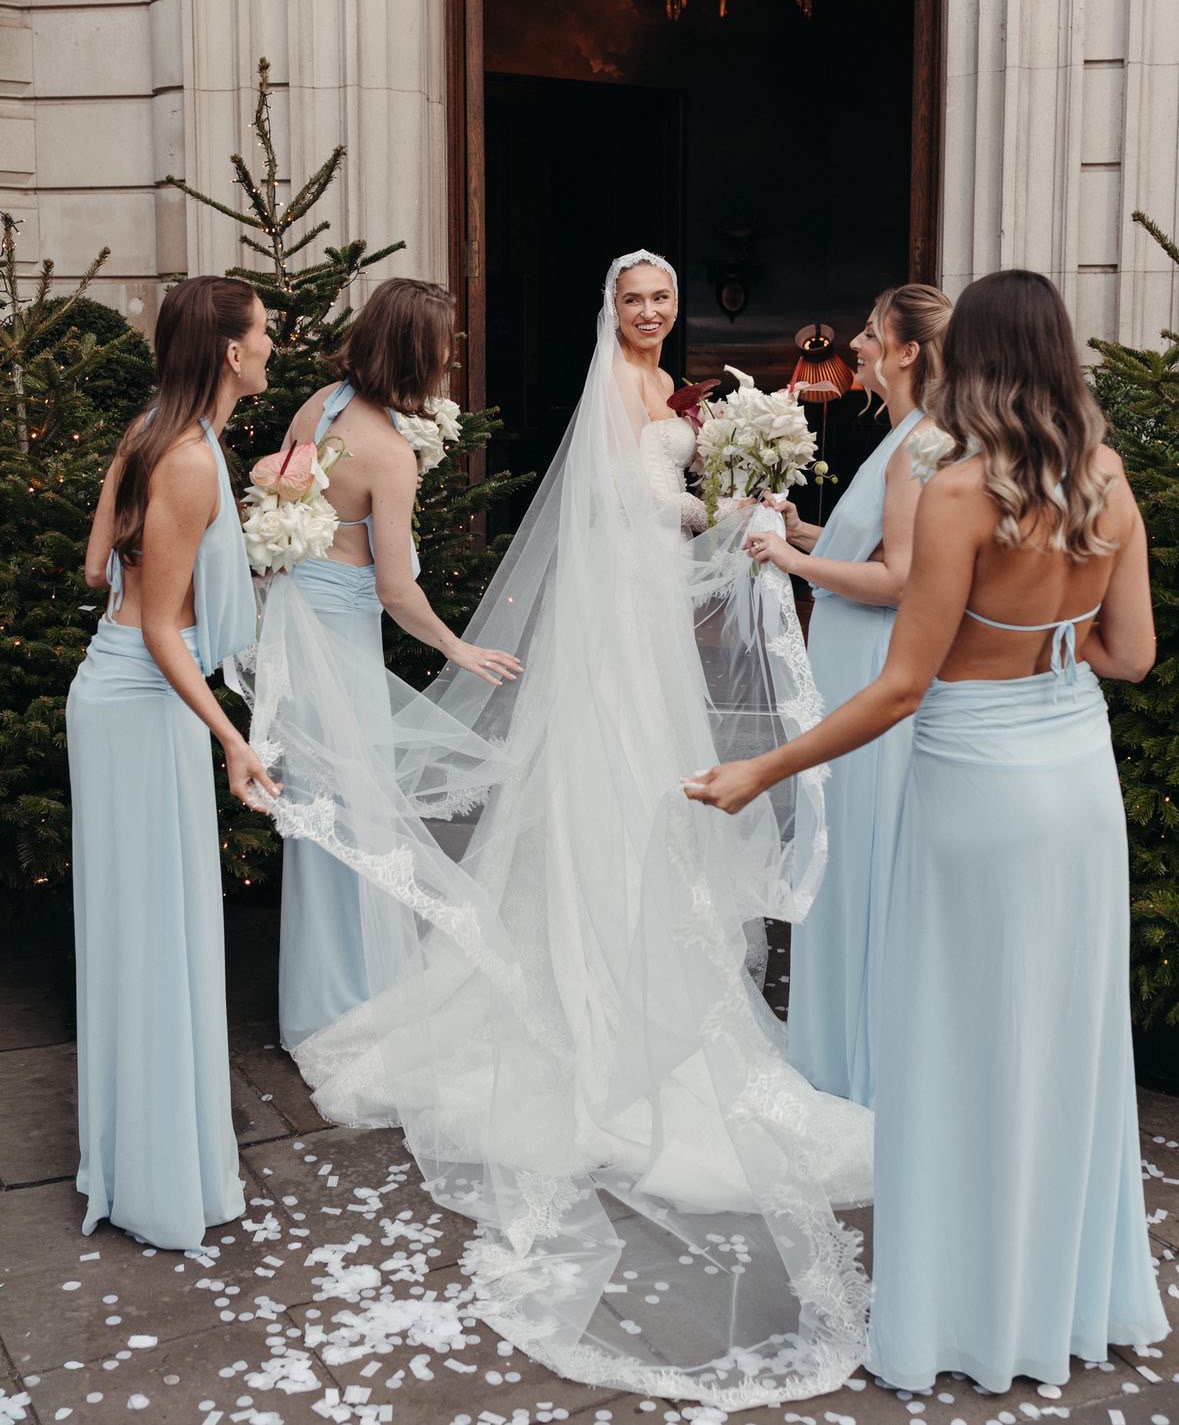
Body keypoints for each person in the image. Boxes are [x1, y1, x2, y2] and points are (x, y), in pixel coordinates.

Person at [244, 249, 874, 1408]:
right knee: (616, 779)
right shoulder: (608, 394)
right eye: (635, 298)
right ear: (610, 309)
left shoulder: (678, 393)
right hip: (617, 621)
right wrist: (719, 505)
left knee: (669, 781)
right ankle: (592, 973)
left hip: (649, 616)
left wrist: (732, 503)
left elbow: (667, 504)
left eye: (662, 299)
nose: (650, 313)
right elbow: (628, 500)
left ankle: (636, 947)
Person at [686, 268, 1168, 1391]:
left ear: (978, 356)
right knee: (1064, 1044)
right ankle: (1061, 1298)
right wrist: (1055, 648)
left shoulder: (959, 489)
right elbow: (1133, 654)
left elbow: (903, 686)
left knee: (957, 1042)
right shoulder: (1106, 478)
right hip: (1079, 783)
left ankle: (961, 1308)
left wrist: (762, 763)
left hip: (976, 786)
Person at [67, 276, 280, 1251]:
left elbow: (93, 571)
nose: (273, 344)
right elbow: (161, 627)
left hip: (109, 694)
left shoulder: (152, 429)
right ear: (232, 353)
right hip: (145, 703)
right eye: (265, 332)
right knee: (158, 935)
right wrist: (233, 737)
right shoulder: (189, 456)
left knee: (139, 933)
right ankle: (159, 1181)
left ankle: (139, 1167)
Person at [274, 277, 521, 1050]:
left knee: (321, 826)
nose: (451, 356)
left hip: (297, 626)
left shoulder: (320, 405)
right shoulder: (387, 453)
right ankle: (348, 1004)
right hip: (340, 641)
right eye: (444, 344)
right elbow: (395, 587)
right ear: (419, 352)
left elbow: (284, 512)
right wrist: (456, 645)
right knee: (357, 821)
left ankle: (320, 998)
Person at [748, 284, 952, 1105]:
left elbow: (900, 581)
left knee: (858, 853)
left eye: (870, 334)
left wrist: (794, 565)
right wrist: (802, 532)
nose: (857, 345)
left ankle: (855, 1064)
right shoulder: (898, 434)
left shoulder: (919, 443)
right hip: (846, 664)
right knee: (837, 847)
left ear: (906, 351)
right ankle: (831, 1050)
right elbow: (869, 547)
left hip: (873, 666)